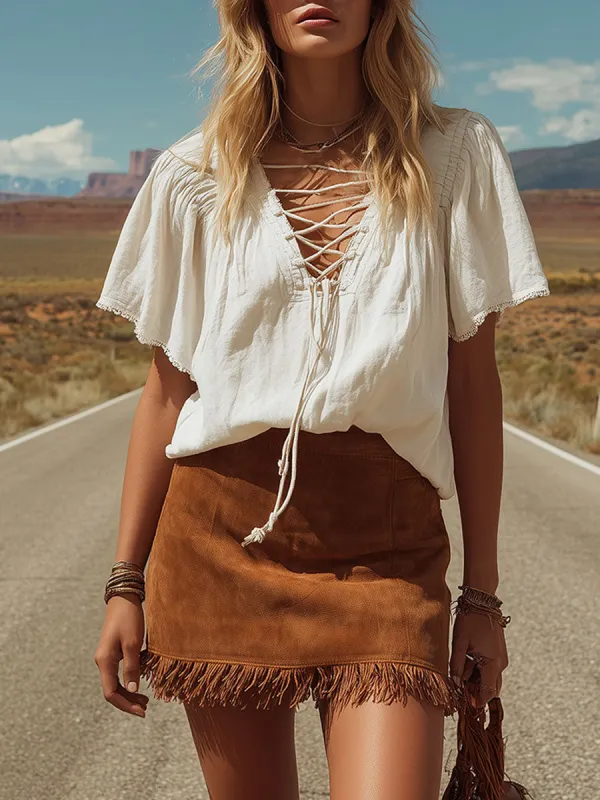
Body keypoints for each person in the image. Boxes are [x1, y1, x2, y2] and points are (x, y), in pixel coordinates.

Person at [94, 2, 549, 798]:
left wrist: (483, 595)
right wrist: (125, 582)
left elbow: (473, 386)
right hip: (219, 547)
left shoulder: (454, 154)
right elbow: (167, 393)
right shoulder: (193, 175)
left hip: (389, 553)